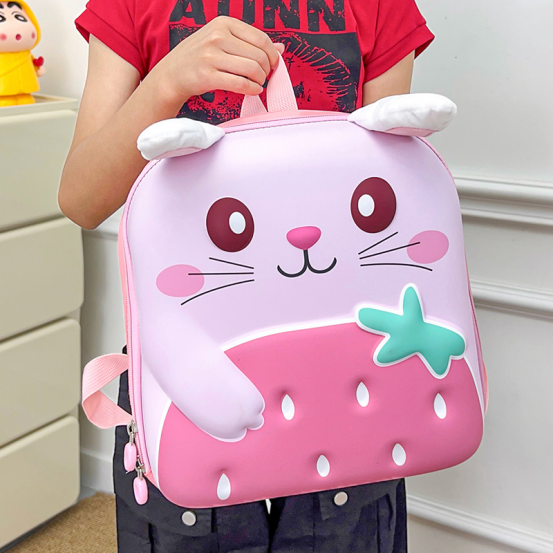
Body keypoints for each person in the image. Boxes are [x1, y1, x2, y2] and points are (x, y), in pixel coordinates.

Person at [60, 1, 435, 551]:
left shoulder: (380, 6)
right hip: (187, 364)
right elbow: (82, 199)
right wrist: (166, 83)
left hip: (346, 362)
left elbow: (390, 191)